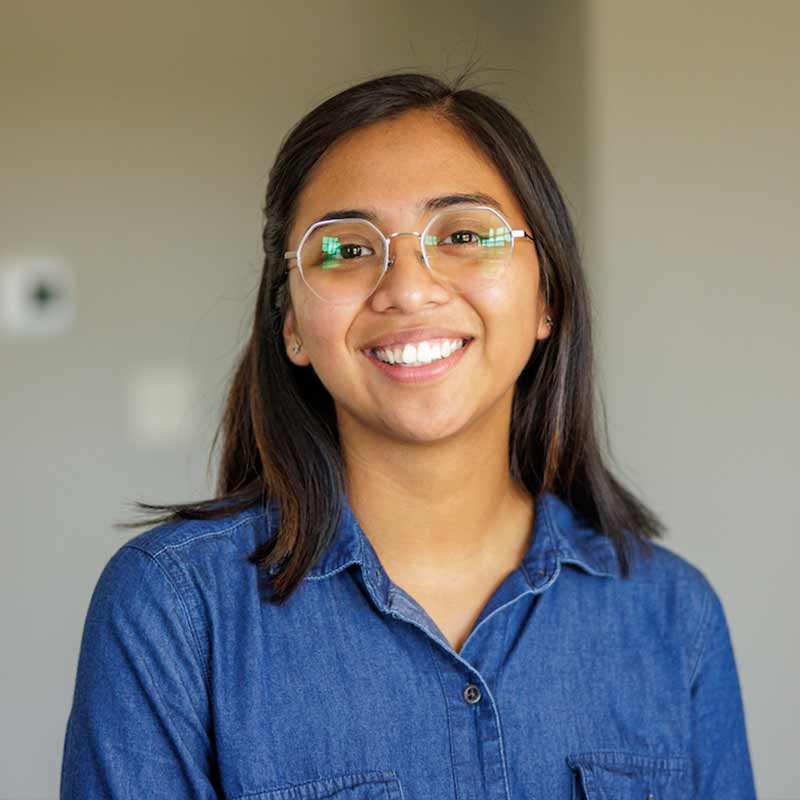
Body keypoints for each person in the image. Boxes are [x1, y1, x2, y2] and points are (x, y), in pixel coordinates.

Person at [60, 70, 757, 799]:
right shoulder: (173, 607)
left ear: (546, 295)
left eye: (462, 234)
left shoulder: (675, 617)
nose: (408, 288)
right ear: (292, 324)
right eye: (346, 250)